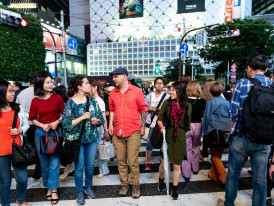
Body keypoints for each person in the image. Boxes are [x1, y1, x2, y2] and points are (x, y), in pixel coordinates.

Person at [223, 54, 273, 206]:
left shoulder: (242, 83)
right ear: (266, 69)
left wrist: (232, 133)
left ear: (249, 68)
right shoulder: (271, 86)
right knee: (260, 180)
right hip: (264, 141)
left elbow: (233, 113)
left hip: (242, 137)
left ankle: (229, 204)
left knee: (233, 174)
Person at [62, 76, 104, 205]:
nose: (88, 85)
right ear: (79, 86)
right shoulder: (70, 103)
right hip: (77, 140)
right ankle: (79, 191)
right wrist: (82, 117)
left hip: (91, 138)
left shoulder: (92, 101)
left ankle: (88, 187)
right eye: (86, 83)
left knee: (90, 166)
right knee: (79, 168)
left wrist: (96, 121)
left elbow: (101, 119)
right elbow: (66, 124)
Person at [108, 67, 147, 199]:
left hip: (133, 131)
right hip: (117, 131)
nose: (113, 79)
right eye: (113, 77)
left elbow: (143, 109)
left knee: (132, 161)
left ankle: (135, 185)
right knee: (121, 161)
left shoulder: (137, 91)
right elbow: (112, 110)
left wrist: (143, 125)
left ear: (125, 76)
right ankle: (124, 184)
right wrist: (110, 125)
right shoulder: (113, 93)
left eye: (115, 76)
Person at [29, 71, 64, 205]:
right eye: (48, 82)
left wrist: (57, 122)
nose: (51, 84)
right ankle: (48, 186)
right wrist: (42, 125)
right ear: (40, 84)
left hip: (55, 132)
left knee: (54, 163)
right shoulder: (35, 100)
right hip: (41, 133)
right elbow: (32, 118)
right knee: (44, 163)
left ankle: (53, 189)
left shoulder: (57, 98)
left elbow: (64, 114)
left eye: (51, 82)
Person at [157, 81, 191, 200]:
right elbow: (159, 118)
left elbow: (187, 125)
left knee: (177, 165)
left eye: (172, 90)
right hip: (168, 135)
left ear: (180, 92)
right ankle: (161, 180)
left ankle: (175, 188)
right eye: (170, 90)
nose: (170, 92)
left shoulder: (187, 105)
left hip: (180, 136)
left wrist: (181, 134)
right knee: (163, 161)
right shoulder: (167, 103)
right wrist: (162, 127)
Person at [0, 80, 30, 206]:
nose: (14, 94)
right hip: (1, 152)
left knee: (23, 180)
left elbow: (26, 124)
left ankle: (20, 199)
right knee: (5, 183)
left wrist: (20, 130)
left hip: (16, 148)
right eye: (10, 91)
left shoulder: (18, 108)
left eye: (14, 91)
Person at [16, 76, 42, 189]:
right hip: (39, 124)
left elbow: (17, 108)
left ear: (28, 82)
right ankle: (37, 175)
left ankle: (25, 176)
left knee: (27, 149)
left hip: (25, 126)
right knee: (40, 150)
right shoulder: (40, 92)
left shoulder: (22, 93)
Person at [202, 83, 229, 185]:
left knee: (214, 155)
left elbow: (207, 118)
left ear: (211, 91)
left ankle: (224, 177)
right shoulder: (226, 102)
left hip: (214, 130)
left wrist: (204, 132)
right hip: (226, 131)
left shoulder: (210, 103)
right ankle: (214, 174)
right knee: (219, 154)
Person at [182, 81, 206, 182]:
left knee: (187, 150)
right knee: (196, 147)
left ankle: (186, 173)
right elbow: (203, 114)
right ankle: (195, 168)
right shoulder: (202, 101)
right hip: (198, 125)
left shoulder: (184, 101)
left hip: (186, 126)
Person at [144, 77, 169, 172]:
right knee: (149, 144)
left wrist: (162, 112)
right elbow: (144, 108)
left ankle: (161, 160)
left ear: (163, 85)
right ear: (154, 85)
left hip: (162, 124)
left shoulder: (167, 97)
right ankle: (148, 161)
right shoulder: (149, 96)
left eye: (161, 83)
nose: (159, 85)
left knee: (163, 143)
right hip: (152, 123)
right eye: (157, 83)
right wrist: (152, 110)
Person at [89, 79, 110, 177]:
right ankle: (103, 170)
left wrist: (105, 130)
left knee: (99, 149)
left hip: (98, 128)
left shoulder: (99, 101)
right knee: (98, 149)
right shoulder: (91, 99)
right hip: (95, 128)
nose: (89, 89)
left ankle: (103, 170)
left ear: (95, 87)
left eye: (90, 87)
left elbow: (103, 117)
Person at [201, 79, 216, 161]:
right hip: (217, 123)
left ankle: (205, 154)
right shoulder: (219, 97)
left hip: (207, 122)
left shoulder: (204, 99)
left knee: (206, 138)